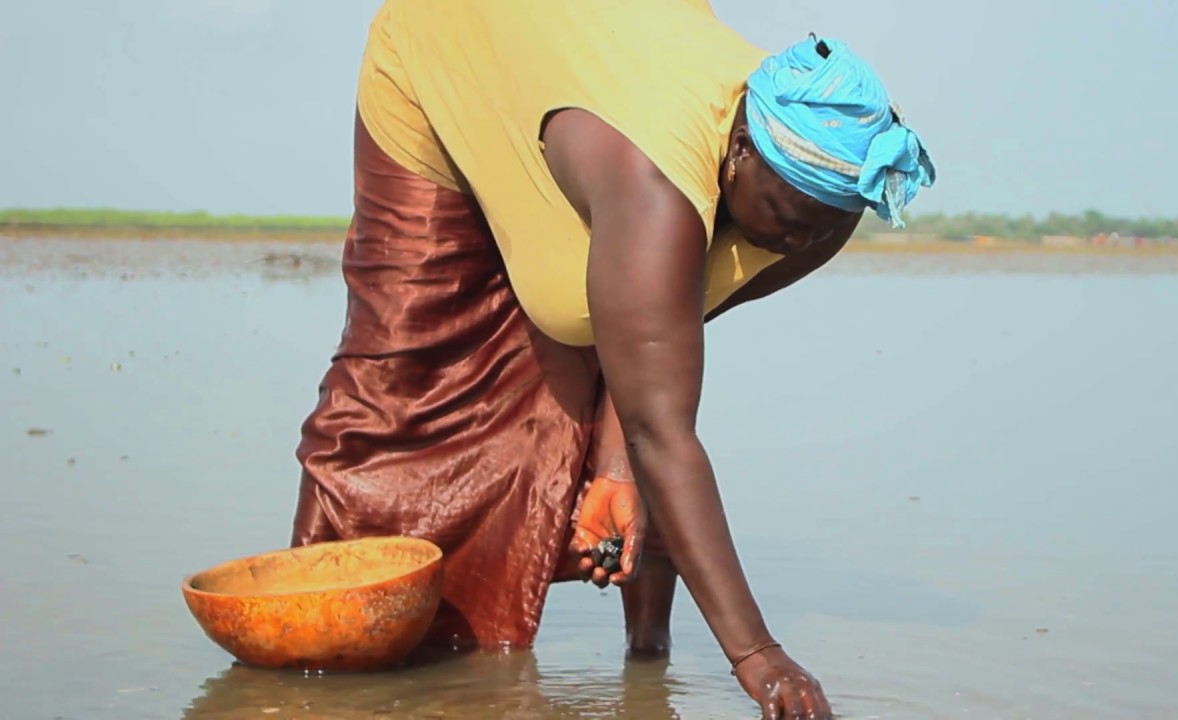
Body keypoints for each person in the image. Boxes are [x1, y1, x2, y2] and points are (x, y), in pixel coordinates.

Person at [289, 0, 935, 717]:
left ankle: (645, 662)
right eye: (787, 216)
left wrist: (613, 467)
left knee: (624, 372)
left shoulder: (822, 209)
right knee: (408, 377)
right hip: (455, 39)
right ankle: (331, 650)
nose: (800, 240)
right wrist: (759, 656)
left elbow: (664, 346)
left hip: (600, 62)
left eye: (826, 223)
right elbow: (664, 432)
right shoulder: (654, 183)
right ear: (741, 150)